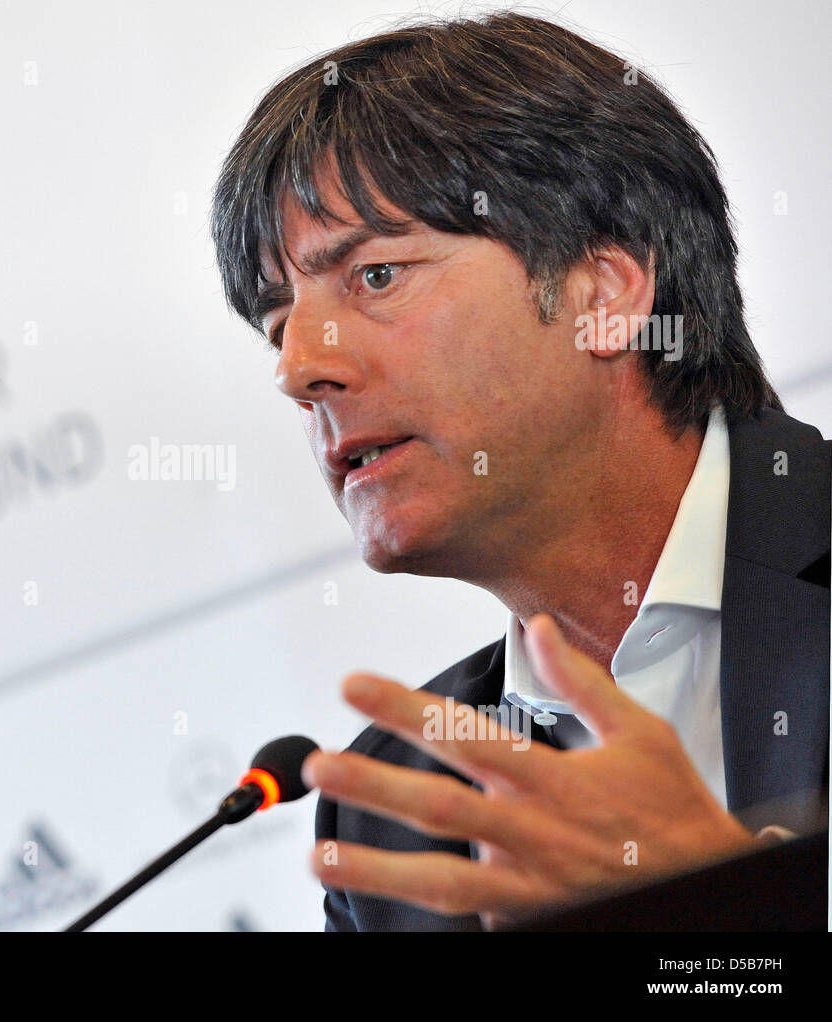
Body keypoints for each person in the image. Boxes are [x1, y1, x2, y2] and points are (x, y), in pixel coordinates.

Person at [208, 12, 829, 931]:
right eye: (276, 321)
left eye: (376, 277)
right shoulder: (392, 815)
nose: (299, 369)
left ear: (606, 293)